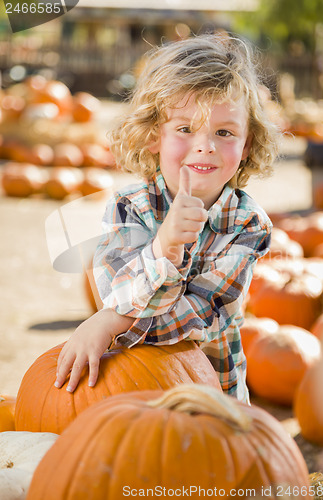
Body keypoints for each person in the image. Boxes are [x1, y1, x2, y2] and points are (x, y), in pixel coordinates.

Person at [55, 33, 280, 401]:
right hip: (132, 389)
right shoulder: (129, 207)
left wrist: (112, 322)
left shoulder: (247, 224)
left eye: (224, 132)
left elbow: (200, 319)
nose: (205, 144)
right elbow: (115, 290)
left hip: (213, 396)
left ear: (247, 144)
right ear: (153, 135)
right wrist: (163, 248)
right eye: (184, 128)